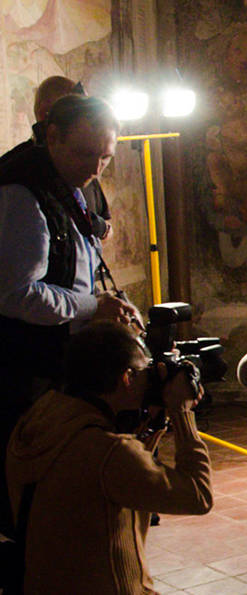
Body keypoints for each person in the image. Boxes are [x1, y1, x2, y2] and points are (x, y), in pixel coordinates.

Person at [0, 94, 138, 537]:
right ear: (52, 136)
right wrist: (91, 306)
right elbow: (16, 295)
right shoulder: (22, 194)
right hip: (27, 368)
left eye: (105, 157)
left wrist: (103, 300)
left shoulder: (65, 181)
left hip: (55, 356)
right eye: (84, 154)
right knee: (33, 501)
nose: (95, 169)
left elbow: (71, 264)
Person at [5, 321, 213, 593]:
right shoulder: (109, 452)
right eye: (145, 370)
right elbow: (198, 496)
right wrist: (182, 413)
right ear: (127, 378)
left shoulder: (39, 421)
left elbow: (120, 479)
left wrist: (153, 420)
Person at [0, 76, 112, 239]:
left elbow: (106, 227)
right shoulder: (16, 171)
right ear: (44, 113)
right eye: (75, 112)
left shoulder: (87, 167)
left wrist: (99, 227)